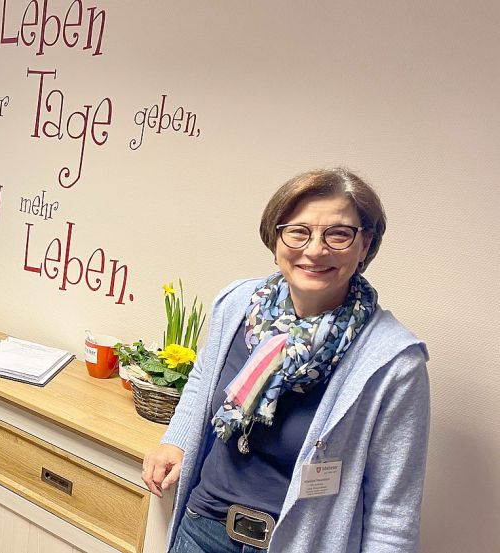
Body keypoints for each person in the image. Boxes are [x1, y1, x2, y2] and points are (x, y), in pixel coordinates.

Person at [142, 169, 430, 552]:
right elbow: (203, 381)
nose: (315, 250)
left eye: (338, 234)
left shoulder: (393, 361)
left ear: (365, 245)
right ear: (275, 238)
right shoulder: (238, 304)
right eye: (298, 231)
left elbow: (392, 511)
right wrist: (176, 442)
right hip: (203, 529)